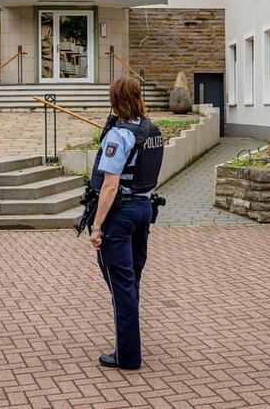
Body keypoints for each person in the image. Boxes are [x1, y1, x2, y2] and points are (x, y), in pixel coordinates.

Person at [87, 76, 164, 369]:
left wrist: (96, 226)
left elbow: (109, 184)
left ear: (115, 100)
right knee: (131, 279)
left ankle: (128, 354)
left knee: (121, 282)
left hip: (121, 214)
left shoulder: (119, 135)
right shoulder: (150, 130)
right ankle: (127, 340)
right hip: (144, 208)